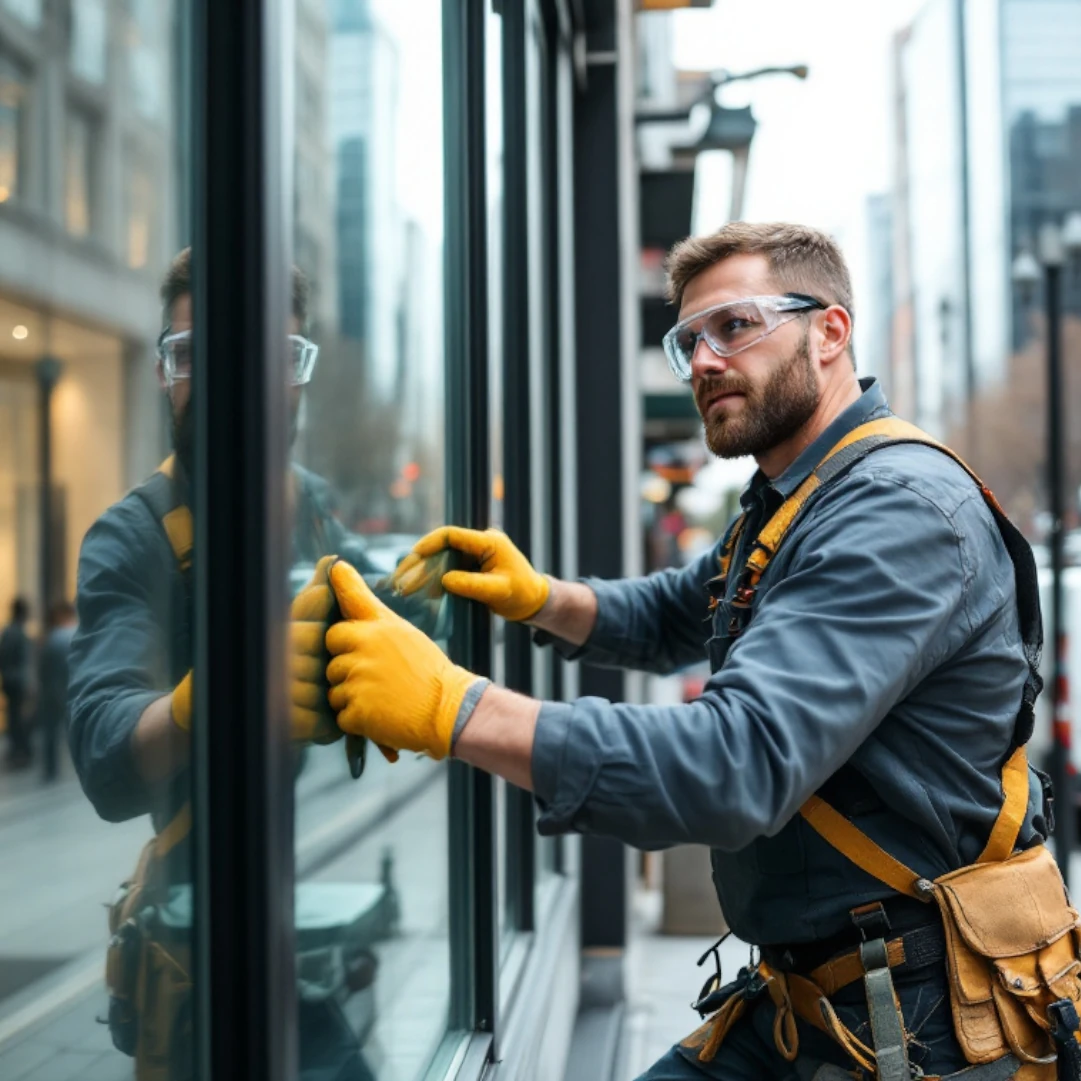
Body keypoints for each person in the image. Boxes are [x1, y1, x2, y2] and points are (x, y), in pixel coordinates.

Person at [319, 223, 1075, 1081]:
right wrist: (543, 598)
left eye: (735, 325)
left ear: (829, 333)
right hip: (817, 1002)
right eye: (688, 340)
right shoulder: (793, 497)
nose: (705, 358)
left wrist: (455, 709)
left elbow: (735, 761)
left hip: (920, 1032)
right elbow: (687, 607)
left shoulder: (896, 513)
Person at [67, 249, 398, 1081]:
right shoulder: (134, 537)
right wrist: (209, 699)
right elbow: (105, 750)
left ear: (299, 374)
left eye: (266, 361)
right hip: (196, 931)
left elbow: (387, 608)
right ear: (162, 371)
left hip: (295, 905)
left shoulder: (308, 502)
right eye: (196, 357)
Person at [38, 599, 76, 783]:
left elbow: (43, 669)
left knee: (51, 733)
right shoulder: (76, 635)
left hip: (52, 691)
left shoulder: (53, 638)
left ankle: (51, 769)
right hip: (72, 691)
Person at [0, 596, 33, 769]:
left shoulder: (8, 632)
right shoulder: (18, 633)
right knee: (19, 718)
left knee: (15, 718)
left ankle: (18, 751)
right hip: (18, 682)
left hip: (11, 681)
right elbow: (24, 662)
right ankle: (20, 752)